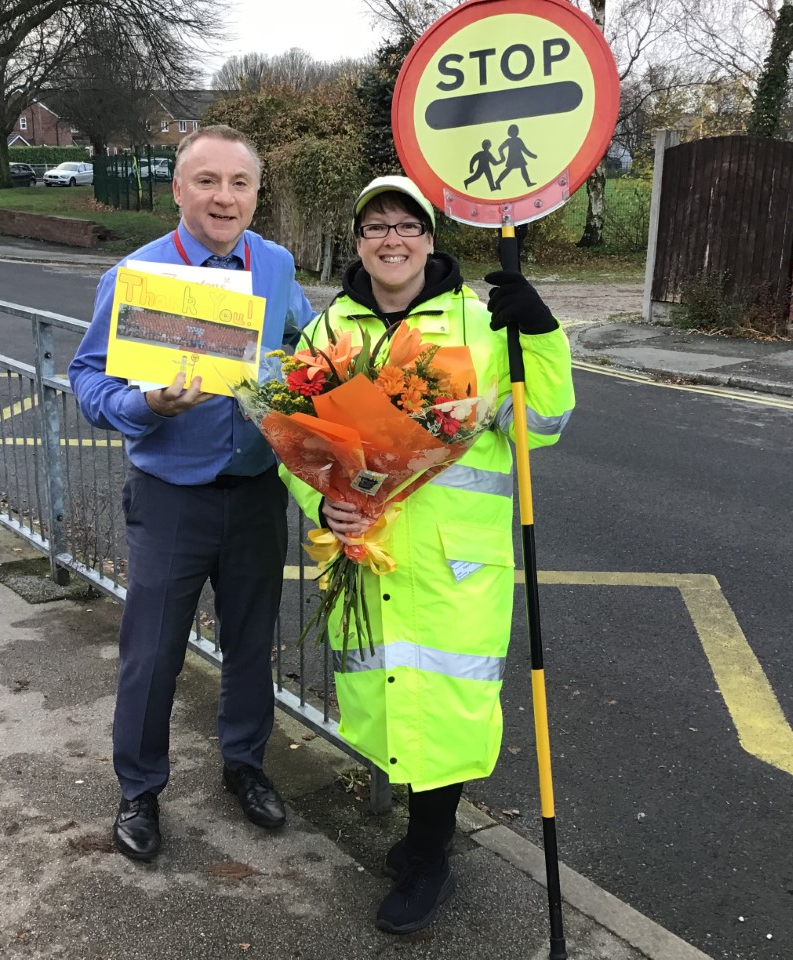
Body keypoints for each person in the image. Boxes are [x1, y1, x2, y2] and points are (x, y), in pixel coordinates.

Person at [282, 176, 575, 934]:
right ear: (357, 243)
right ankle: (419, 843)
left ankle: (431, 856)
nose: (392, 239)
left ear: (430, 240)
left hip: (453, 561)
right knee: (384, 699)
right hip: (368, 552)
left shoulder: (479, 323)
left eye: (407, 226)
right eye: (375, 226)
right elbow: (297, 442)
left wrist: (539, 335)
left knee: (442, 706)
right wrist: (323, 500)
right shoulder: (328, 332)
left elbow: (542, 423)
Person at [69, 125, 314, 862]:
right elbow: (87, 379)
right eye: (206, 181)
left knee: (249, 645)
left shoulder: (274, 265)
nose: (223, 197)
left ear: (255, 194)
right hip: (171, 496)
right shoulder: (135, 275)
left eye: (239, 184)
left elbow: (311, 350)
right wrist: (146, 405)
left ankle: (244, 766)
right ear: (178, 190)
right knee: (152, 654)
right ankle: (139, 788)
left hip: (254, 492)